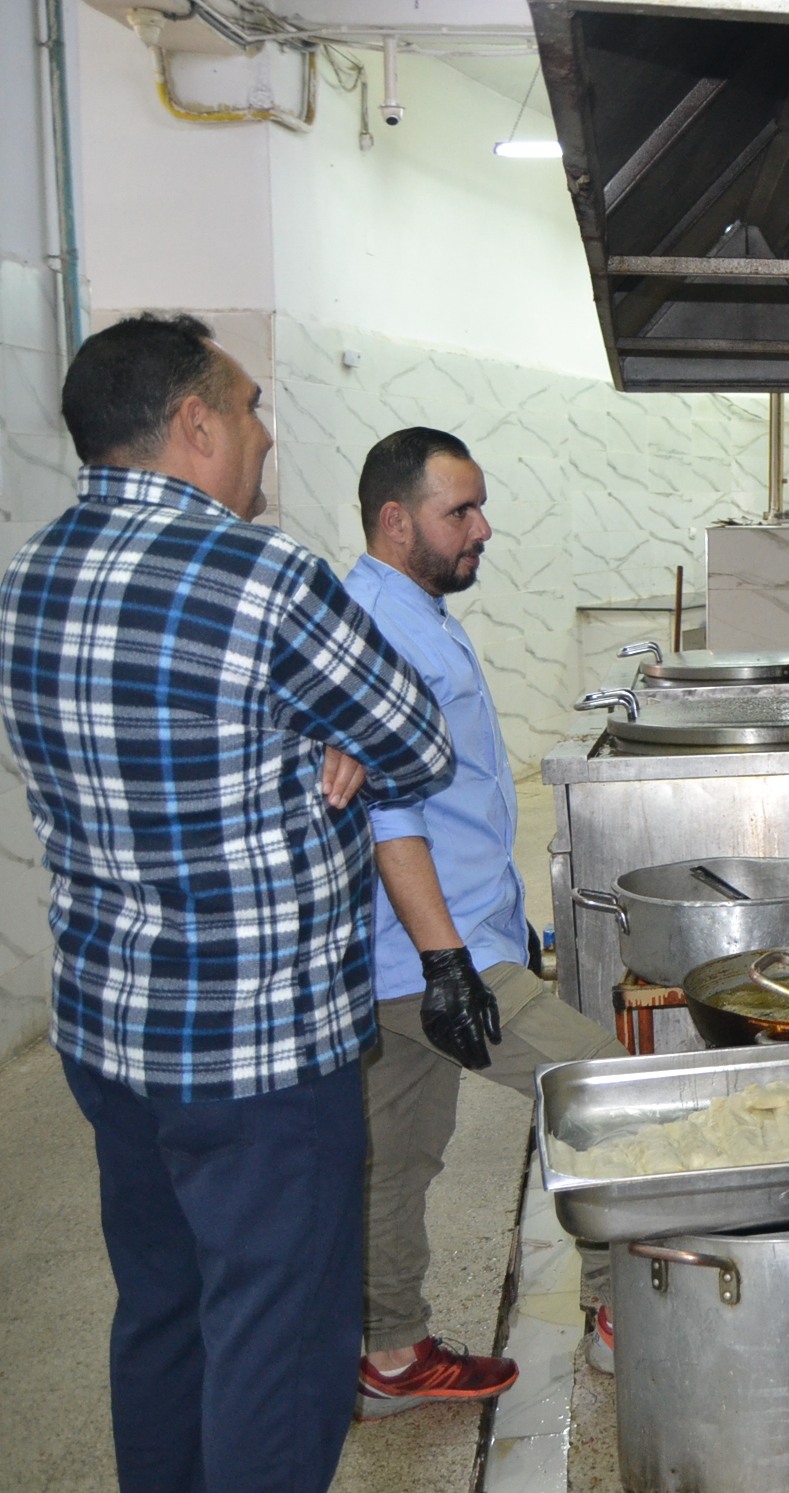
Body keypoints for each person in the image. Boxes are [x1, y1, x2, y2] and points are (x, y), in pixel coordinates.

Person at [0, 315, 453, 1493]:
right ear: (194, 425)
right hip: (260, 1057)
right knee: (278, 1340)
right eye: (249, 407)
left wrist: (320, 734)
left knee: (164, 1310)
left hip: (111, 1038)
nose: (266, 431)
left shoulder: (29, 577)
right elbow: (418, 744)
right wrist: (335, 735)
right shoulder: (264, 576)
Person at [346, 428, 628, 1413]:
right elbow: (386, 814)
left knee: (396, 1156)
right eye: (459, 512)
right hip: (432, 946)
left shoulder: (407, 609)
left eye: (480, 507)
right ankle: (620, 1313)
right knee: (601, 1089)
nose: (483, 529)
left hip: (424, 943)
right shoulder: (379, 627)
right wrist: (451, 964)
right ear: (397, 520)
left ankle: (389, 1356)